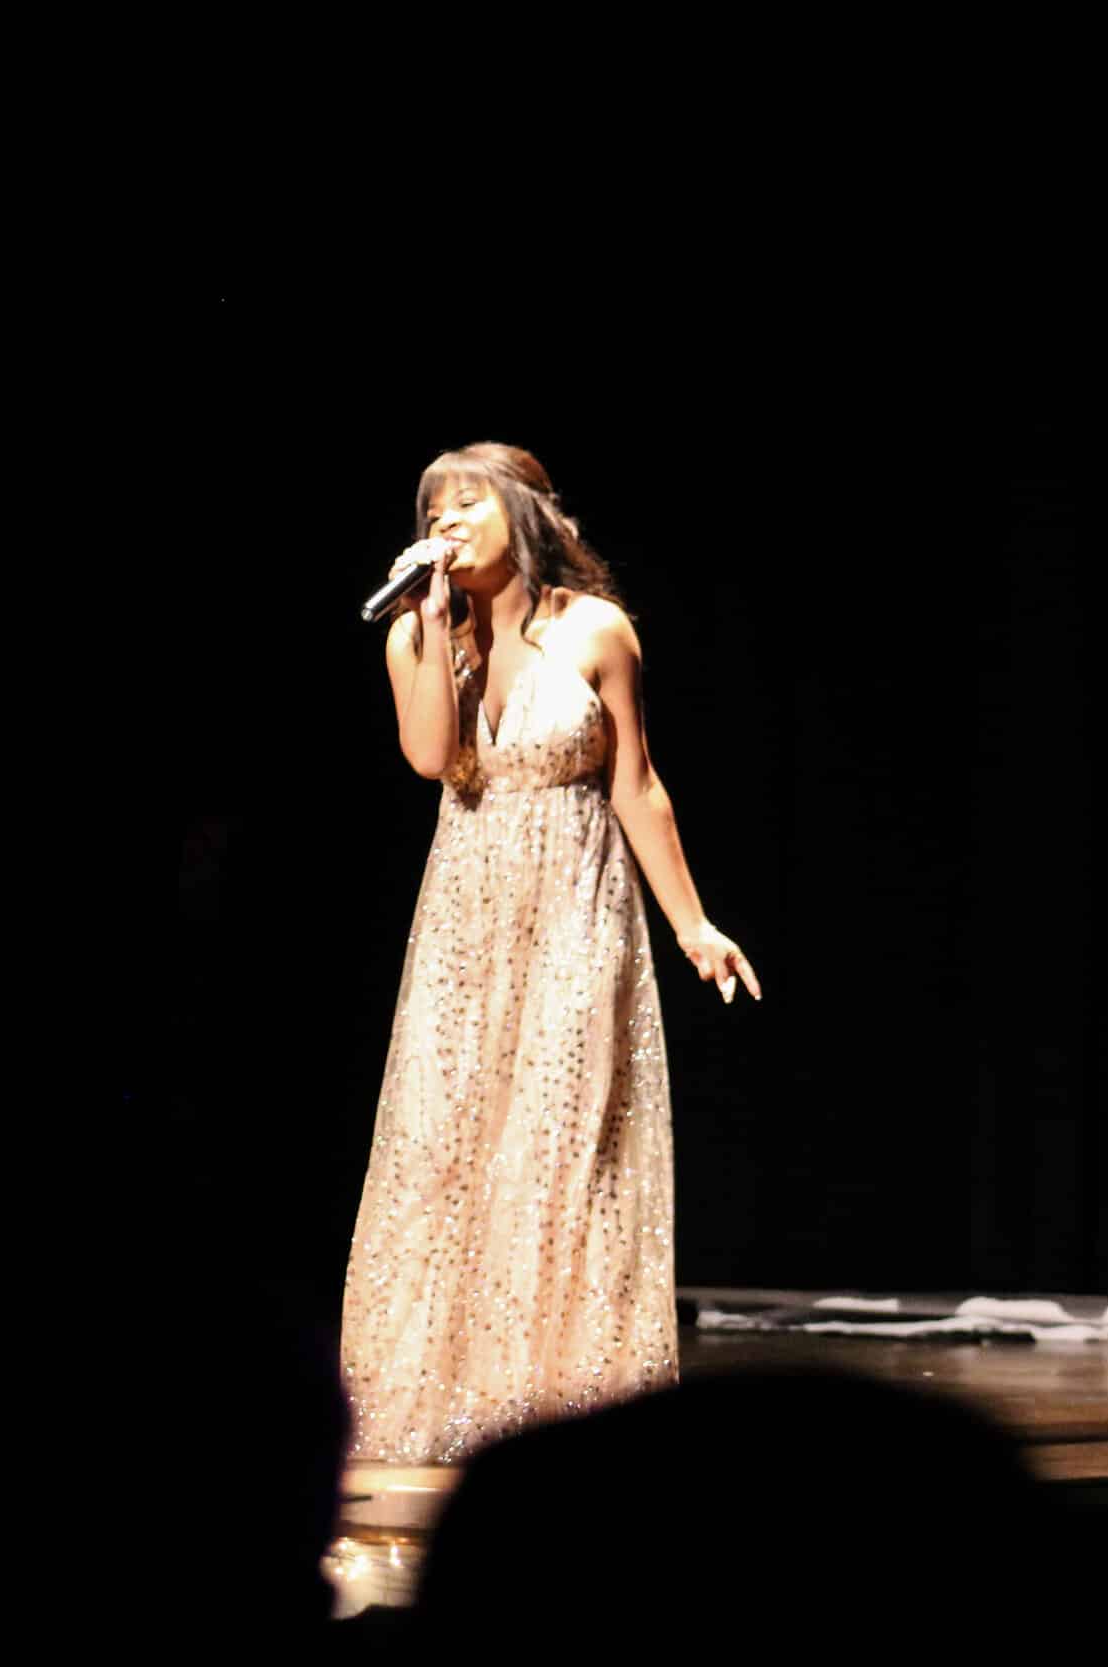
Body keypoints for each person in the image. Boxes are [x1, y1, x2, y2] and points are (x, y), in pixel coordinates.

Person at [340, 443, 759, 1466]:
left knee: (561, 1141)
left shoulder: (596, 630)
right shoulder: (415, 634)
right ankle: (446, 1398)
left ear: (520, 513)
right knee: (448, 1144)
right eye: (430, 508)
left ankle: (558, 1406)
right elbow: (434, 758)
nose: (445, 521)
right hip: (466, 922)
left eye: (465, 503)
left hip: (576, 908)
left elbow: (637, 786)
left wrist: (692, 922)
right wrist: (434, 627)